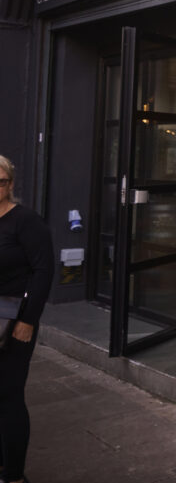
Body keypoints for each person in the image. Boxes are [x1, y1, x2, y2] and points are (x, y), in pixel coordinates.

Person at [0, 155, 53, 483]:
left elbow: (43, 270)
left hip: (13, 319)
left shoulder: (26, 221)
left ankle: (15, 475)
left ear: (11, 184)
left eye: (1, 181)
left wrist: (28, 320)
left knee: (8, 393)